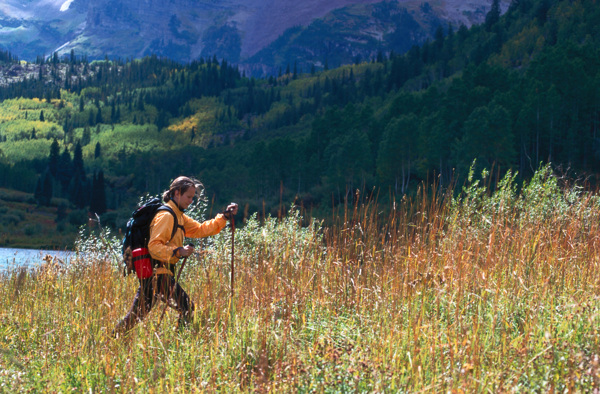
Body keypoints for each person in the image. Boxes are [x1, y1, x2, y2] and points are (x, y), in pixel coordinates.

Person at [113, 176, 238, 336]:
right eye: (189, 197)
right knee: (187, 308)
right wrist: (178, 251)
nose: (191, 201)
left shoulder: (178, 216)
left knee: (135, 316)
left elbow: (200, 230)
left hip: (156, 275)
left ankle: (111, 339)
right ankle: (181, 342)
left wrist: (224, 217)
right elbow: (154, 246)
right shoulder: (166, 216)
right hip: (159, 274)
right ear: (177, 193)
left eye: (193, 197)